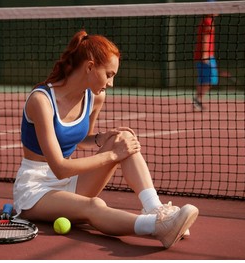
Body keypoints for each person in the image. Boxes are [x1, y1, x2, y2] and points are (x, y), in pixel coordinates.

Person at [13, 30, 198, 249]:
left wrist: (102, 138)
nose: (111, 83)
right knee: (94, 205)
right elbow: (60, 167)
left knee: (124, 138)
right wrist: (112, 154)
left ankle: (156, 209)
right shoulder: (41, 100)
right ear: (90, 67)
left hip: (67, 184)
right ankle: (158, 227)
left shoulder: (95, 96)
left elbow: (83, 139)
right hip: (36, 189)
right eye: (109, 74)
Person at [193, 4, 219, 111]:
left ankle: (197, 100)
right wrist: (205, 55)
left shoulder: (206, 21)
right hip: (206, 56)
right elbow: (205, 38)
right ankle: (197, 100)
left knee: (204, 80)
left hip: (205, 55)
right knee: (211, 79)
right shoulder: (208, 21)